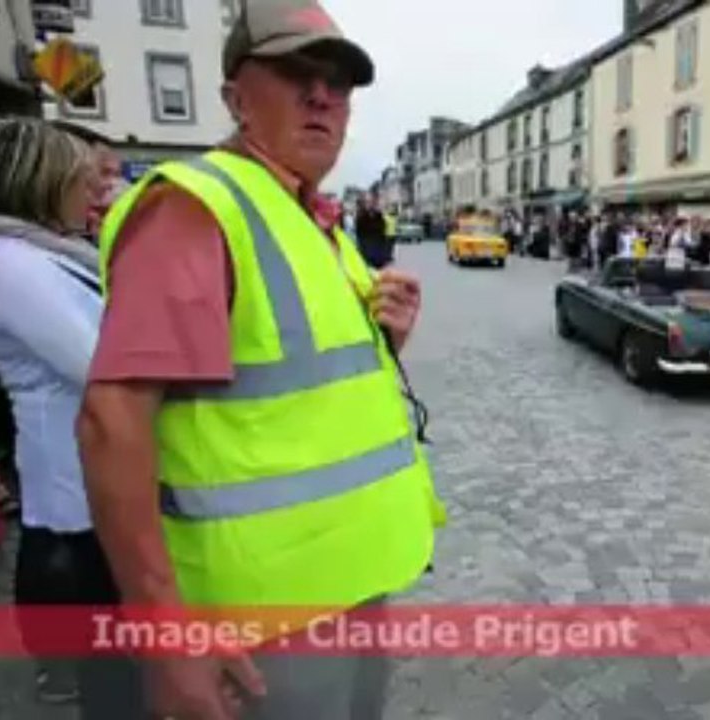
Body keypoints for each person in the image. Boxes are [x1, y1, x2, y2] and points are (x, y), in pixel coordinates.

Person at [76, 3, 445, 718]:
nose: (322, 97)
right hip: (261, 616)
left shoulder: (310, 217)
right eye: (295, 73)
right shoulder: (198, 206)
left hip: (349, 577)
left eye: (338, 83)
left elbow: (291, 385)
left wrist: (385, 340)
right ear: (235, 98)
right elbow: (109, 420)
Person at [0, 118, 145, 716]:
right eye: (82, 178)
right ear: (40, 182)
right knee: (115, 666)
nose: (95, 190)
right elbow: (99, 360)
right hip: (77, 489)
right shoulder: (6, 264)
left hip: (99, 475)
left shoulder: (46, 252)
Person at [355, 192, 389, 269]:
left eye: (371, 202)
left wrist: (385, 253)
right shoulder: (361, 216)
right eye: (367, 202)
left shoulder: (379, 216)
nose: (369, 204)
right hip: (366, 252)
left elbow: (383, 233)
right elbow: (359, 235)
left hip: (378, 254)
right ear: (364, 203)